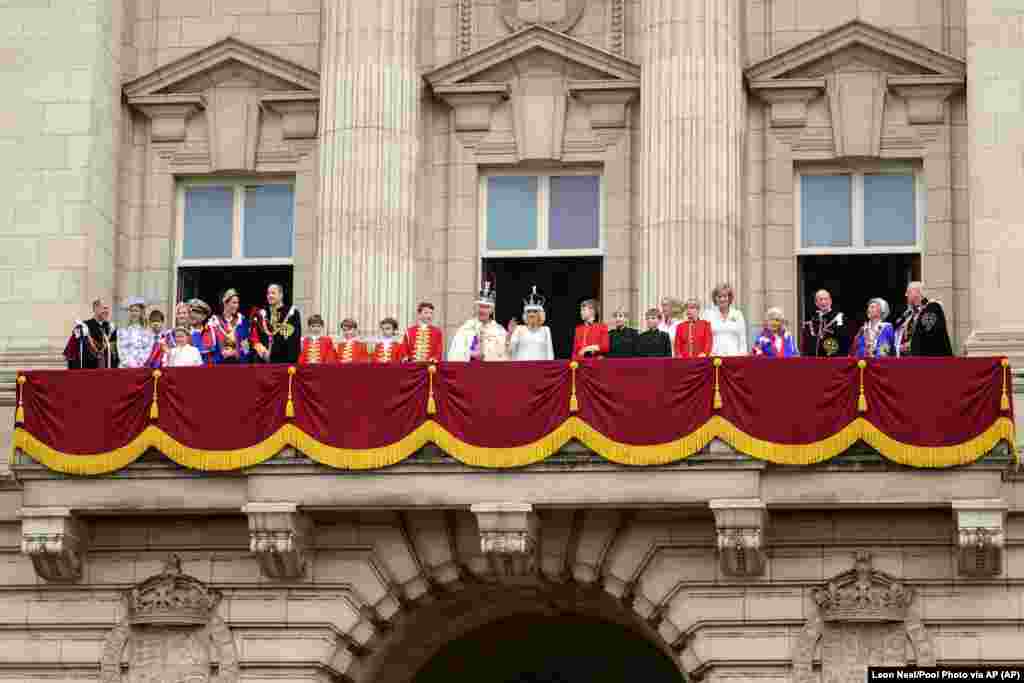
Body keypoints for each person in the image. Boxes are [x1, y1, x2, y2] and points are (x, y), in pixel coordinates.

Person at [447, 281, 508, 362]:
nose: (482, 310)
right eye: (480, 306)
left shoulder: (499, 331)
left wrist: (487, 355)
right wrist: (470, 354)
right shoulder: (466, 327)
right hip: (469, 370)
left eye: (486, 307)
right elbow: (455, 353)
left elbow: (503, 356)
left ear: (492, 310)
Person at [894, 281, 953, 357]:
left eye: (908, 292)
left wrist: (910, 345)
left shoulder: (932, 307)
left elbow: (927, 331)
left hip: (933, 360)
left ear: (917, 292)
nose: (906, 295)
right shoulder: (910, 314)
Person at [250, 283, 302, 364]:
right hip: (263, 363)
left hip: (284, 362)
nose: (270, 296)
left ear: (281, 295)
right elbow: (254, 337)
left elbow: (295, 340)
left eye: (273, 293)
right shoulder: (261, 313)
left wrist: (292, 362)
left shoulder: (292, 313)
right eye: (268, 293)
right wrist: (263, 353)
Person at [63, 298, 118, 369]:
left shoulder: (111, 328)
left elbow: (114, 353)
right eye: (104, 308)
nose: (106, 311)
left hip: (106, 371)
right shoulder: (82, 327)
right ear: (95, 309)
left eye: (107, 309)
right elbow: (71, 350)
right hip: (87, 370)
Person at [507, 286, 555, 361]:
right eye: (529, 312)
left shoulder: (546, 330)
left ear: (540, 314)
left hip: (540, 368)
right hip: (522, 368)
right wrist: (510, 334)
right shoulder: (519, 329)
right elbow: (510, 350)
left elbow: (550, 354)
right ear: (525, 314)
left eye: (535, 311)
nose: (531, 314)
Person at [703, 283, 747, 356]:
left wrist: (742, 355)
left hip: (734, 356)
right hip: (713, 356)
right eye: (719, 297)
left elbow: (742, 338)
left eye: (725, 296)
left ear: (729, 298)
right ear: (715, 298)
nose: (722, 299)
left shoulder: (738, 314)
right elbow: (704, 338)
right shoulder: (708, 315)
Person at [801, 289, 848, 357]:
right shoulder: (812, 321)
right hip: (813, 361)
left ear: (830, 301)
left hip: (833, 360)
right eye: (820, 299)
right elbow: (806, 345)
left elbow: (843, 342)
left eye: (826, 299)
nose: (823, 302)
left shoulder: (839, 318)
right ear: (816, 303)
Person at [211, 289, 251, 364]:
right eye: (234, 303)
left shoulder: (241, 322)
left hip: (238, 365)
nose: (237, 306)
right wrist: (222, 353)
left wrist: (236, 352)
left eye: (238, 303)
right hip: (219, 365)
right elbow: (211, 347)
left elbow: (246, 348)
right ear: (225, 303)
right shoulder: (214, 322)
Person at [115, 297, 155, 369]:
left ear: (141, 313)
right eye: (131, 311)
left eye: (136, 311)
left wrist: (139, 363)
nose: (134, 313)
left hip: (141, 367)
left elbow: (148, 350)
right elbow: (121, 350)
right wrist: (129, 363)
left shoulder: (148, 332)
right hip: (125, 368)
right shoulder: (121, 331)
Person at [187, 299, 221, 366]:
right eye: (190, 312)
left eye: (196, 312)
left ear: (204, 316)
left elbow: (218, 357)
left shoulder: (212, 332)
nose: (192, 315)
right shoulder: (182, 332)